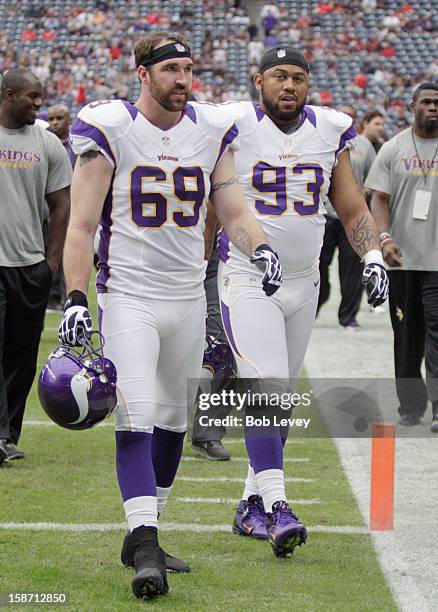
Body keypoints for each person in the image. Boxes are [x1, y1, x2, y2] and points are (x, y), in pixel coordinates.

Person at [59, 31, 282, 600]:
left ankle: (143, 532)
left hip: (187, 295)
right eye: (171, 70)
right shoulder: (111, 127)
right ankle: (147, 542)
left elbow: (232, 206)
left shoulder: (209, 130)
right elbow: (81, 225)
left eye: (188, 69)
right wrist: (76, 298)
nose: (183, 80)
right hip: (129, 293)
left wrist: (260, 247)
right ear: (143, 73)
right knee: (135, 414)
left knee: (174, 424)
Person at [214, 47, 389, 557]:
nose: (288, 86)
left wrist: (372, 253)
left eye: (297, 77)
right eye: (278, 77)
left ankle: (250, 504)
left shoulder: (331, 129)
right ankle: (277, 507)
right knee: (266, 392)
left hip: (304, 279)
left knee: (280, 404)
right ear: (258, 80)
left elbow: (351, 202)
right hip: (248, 275)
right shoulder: (233, 124)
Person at [0, 69, 71, 465]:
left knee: (22, 355)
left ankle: (8, 435)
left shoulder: (47, 144)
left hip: (30, 265)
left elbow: (62, 204)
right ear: (9, 95)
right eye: (31, 97)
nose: (38, 104)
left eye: (41, 97)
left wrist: (53, 261)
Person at [366, 82, 438, 432]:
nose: (433, 107)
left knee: (437, 335)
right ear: (412, 106)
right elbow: (378, 198)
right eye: (426, 102)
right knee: (406, 337)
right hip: (402, 261)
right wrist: (384, 238)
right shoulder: (393, 149)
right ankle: (411, 405)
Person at [317, 104, 377, 330]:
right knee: (319, 264)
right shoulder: (321, 139)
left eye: (351, 116)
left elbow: (374, 176)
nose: (346, 120)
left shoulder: (364, 145)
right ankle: (317, 302)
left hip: (351, 216)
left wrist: (365, 192)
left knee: (352, 269)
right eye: (342, 116)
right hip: (326, 215)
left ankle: (348, 316)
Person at [46, 104, 76, 312]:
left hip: (75, 211)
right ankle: (54, 298)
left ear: (70, 121)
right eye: (52, 119)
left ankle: (70, 299)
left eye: (59, 118)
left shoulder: (78, 147)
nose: (55, 123)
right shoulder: (43, 144)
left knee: (71, 254)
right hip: (50, 211)